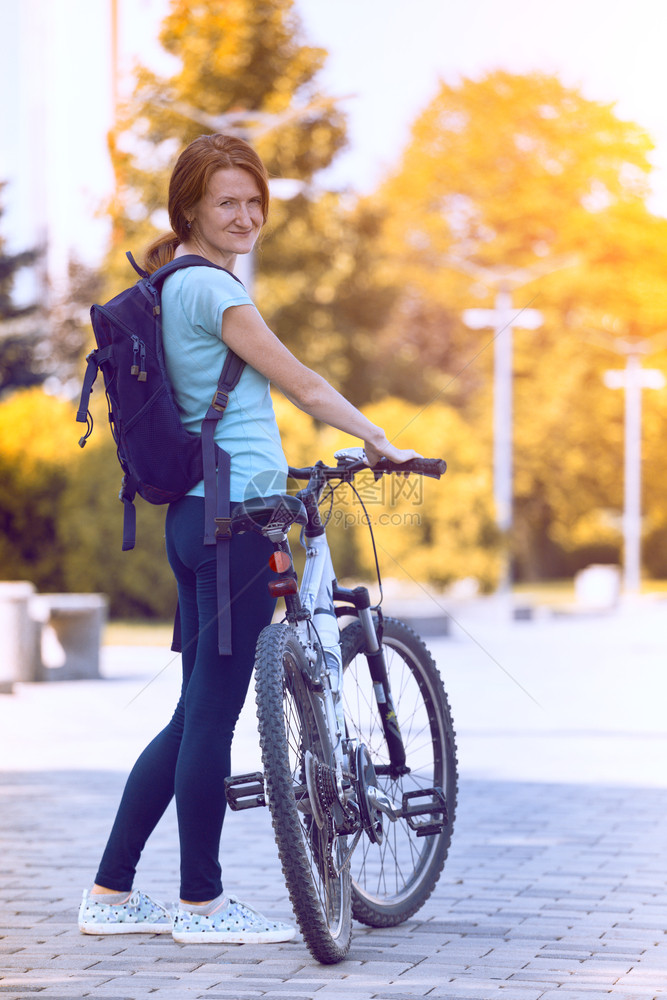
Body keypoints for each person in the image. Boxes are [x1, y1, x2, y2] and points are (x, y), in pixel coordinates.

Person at [78, 133, 420, 945]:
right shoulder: (211, 290)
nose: (245, 215)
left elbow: (225, 409)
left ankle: (111, 891)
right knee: (211, 719)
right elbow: (300, 381)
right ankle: (202, 903)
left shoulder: (175, 286)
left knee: (192, 714)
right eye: (226, 201)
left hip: (199, 516)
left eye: (253, 201)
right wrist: (378, 440)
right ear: (190, 207)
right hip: (234, 523)